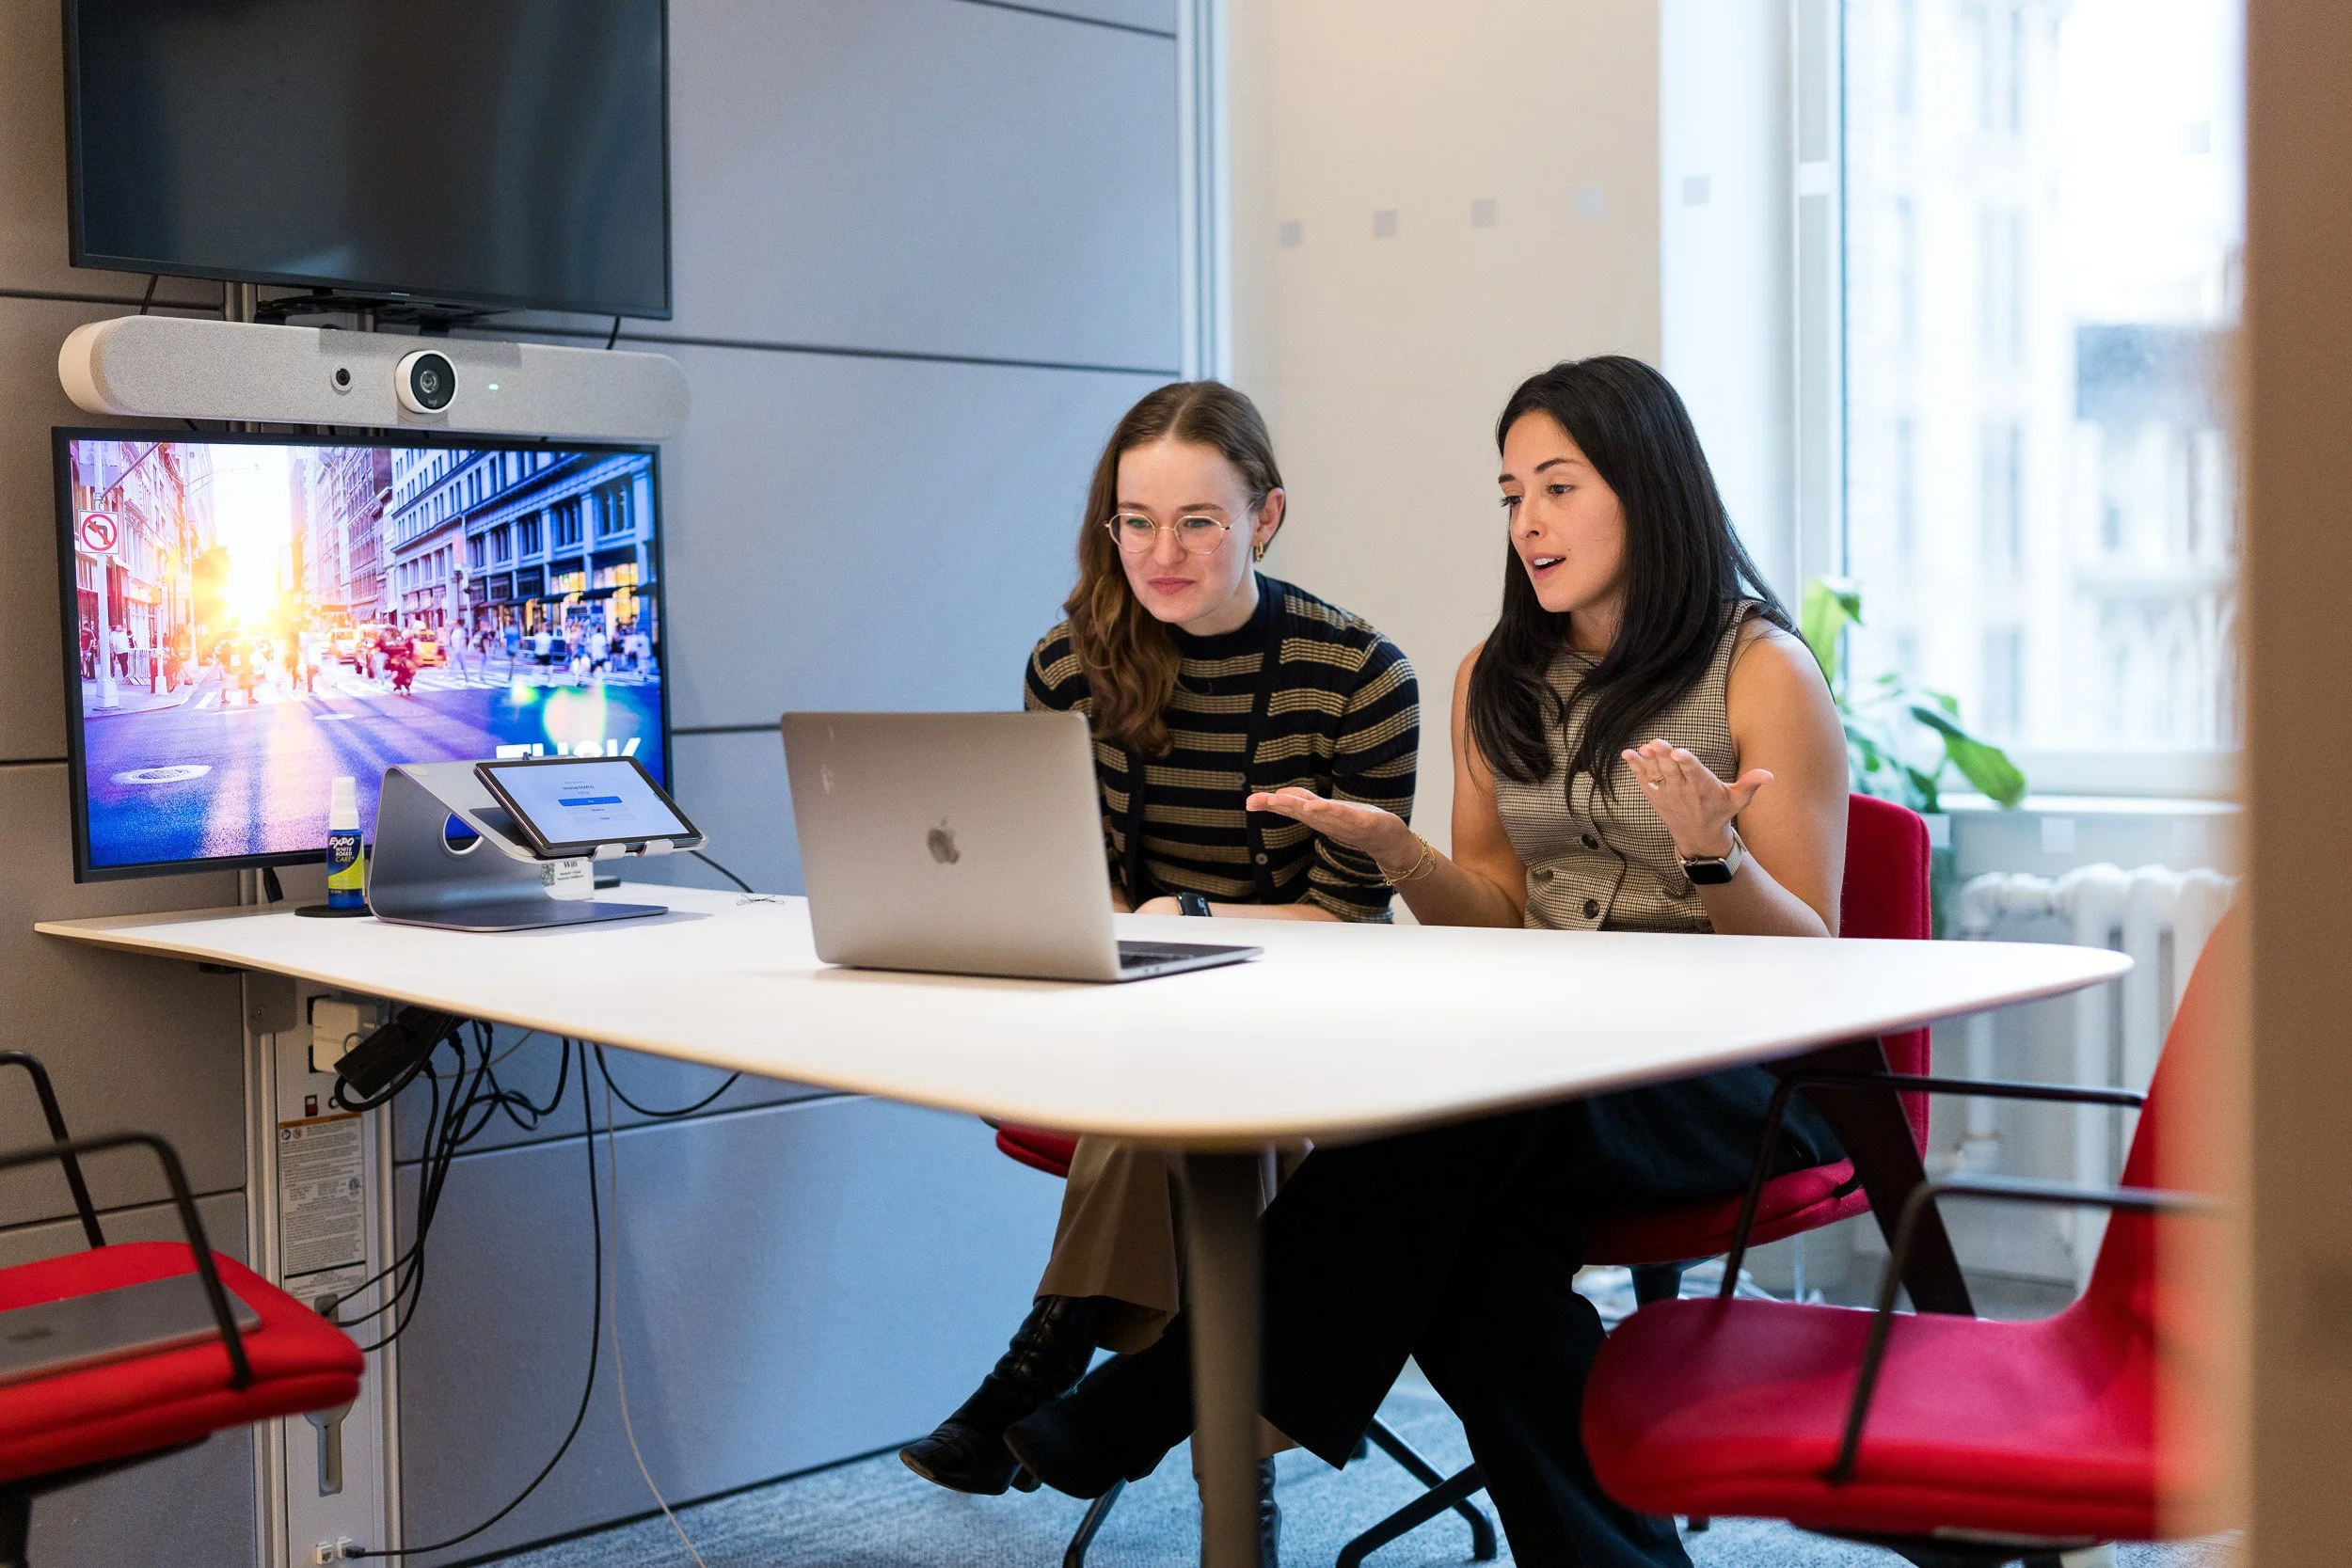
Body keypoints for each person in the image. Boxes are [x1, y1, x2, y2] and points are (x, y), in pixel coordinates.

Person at [1002, 356, 1851, 1568]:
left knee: (1446, 1125)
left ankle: (1147, 1396)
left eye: (1558, 488)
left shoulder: (1760, 668)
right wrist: (1401, 855)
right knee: (1480, 1272)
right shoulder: (1490, 677)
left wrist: (1712, 858)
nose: (1529, 523)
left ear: (1650, 490)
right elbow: (1497, 923)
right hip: (1556, 1068)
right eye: (1511, 495)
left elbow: (1814, 962)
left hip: (1729, 1077)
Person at [898, 381, 1421, 1552]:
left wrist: (1179, 910)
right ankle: (1193, 1436)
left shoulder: (1357, 675)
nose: (1160, 551)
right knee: (1175, 1064)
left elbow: (1347, 912)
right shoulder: (1070, 663)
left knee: (1190, 1084)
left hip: (1307, 1007)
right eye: (1133, 520)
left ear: (1265, 518)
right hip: (1128, 1002)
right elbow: (1064, 877)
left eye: (1198, 520)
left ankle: (1051, 1350)